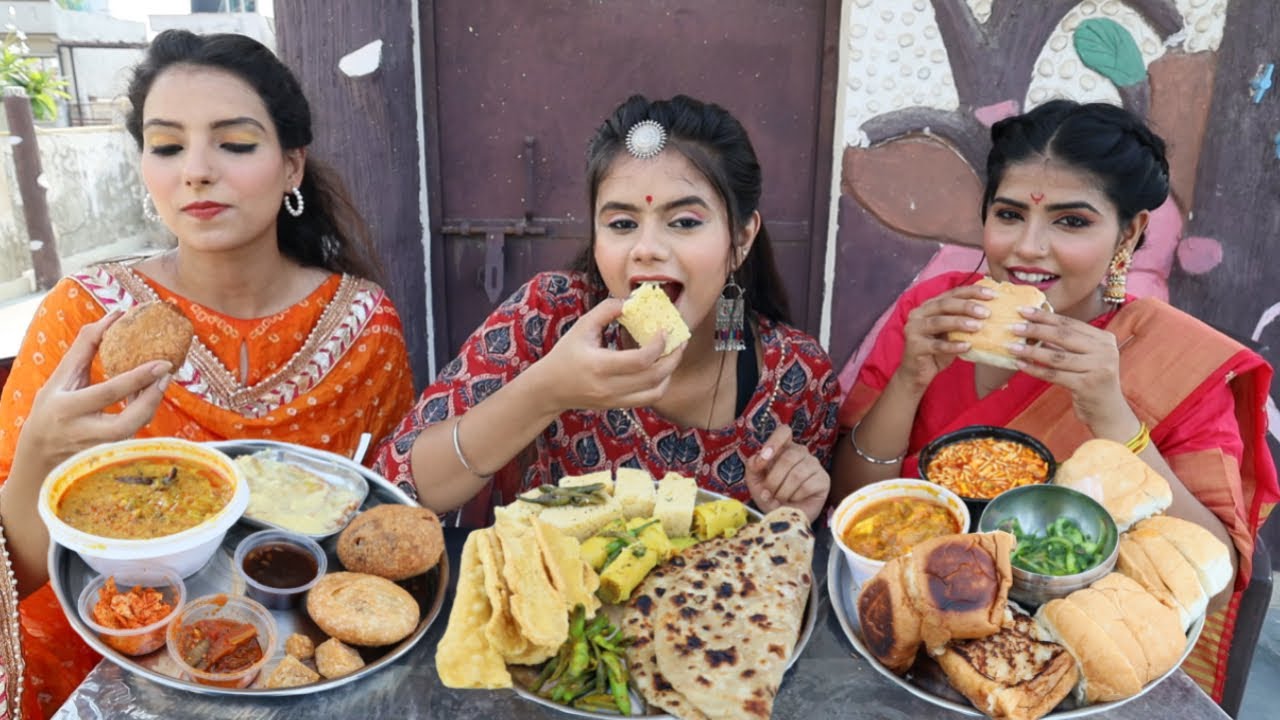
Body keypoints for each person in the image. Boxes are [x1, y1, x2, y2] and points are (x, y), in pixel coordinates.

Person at [0, 30, 415, 717]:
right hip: (104, 664)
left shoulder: (363, 324)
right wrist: (42, 456)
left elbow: (382, 524)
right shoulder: (87, 318)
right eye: (166, 146)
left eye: (235, 142)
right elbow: (18, 573)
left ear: (292, 167)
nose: (195, 169)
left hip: (300, 667)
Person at [832, 99, 1279, 701]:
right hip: (905, 628)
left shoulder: (1174, 358)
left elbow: (1215, 579)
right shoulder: (937, 311)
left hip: (1055, 665)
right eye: (1009, 214)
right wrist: (911, 377)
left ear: (1131, 233)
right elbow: (852, 500)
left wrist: (1114, 417)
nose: (1027, 249)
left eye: (1071, 222)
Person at [375, 94, 839, 526]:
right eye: (622, 223)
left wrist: (788, 516)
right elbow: (398, 485)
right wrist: (547, 392)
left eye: (683, 222)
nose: (646, 248)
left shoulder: (797, 377)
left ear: (740, 238)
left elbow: (801, 556)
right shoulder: (550, 315)